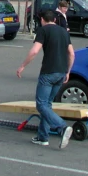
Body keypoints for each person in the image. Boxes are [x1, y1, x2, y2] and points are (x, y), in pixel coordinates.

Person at [16, 10, 75, 148]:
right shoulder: (63, 32)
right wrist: (68, 71)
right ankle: (43, 137)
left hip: (48, 72)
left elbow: (35, 50)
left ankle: (62, 127)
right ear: (54, 19)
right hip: (61, 72)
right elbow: (71, 54)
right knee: (47, 105)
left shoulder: (43, 31)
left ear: (42, 19)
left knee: (41, 105)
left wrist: (22, 66)